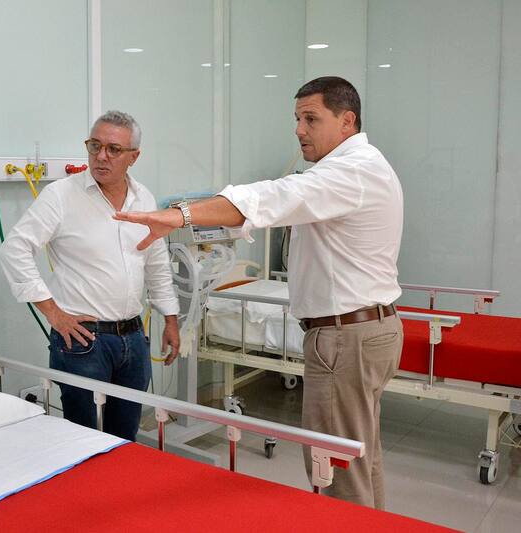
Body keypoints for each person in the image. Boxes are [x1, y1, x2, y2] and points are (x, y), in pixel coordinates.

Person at [114, 76, 403, 508]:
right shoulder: (363, 167)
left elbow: (275, 195)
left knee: (335, 467)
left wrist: (181, 214)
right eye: (297, 119)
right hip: (370, 327)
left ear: (347, 121)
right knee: (361, 456)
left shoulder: (350, 172)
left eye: (311, 119)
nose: (299, 130)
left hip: (345, 337)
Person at [0, 110, 180, 442]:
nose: (101, 156)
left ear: (134, 157)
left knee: (124, 439)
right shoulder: (61, 196)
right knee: (81, 441)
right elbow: (14, 249)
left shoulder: (144, 198)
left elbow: (155, 261)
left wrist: (170, 317)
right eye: (94, 145)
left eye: (113, 149)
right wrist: (54, 313)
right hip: (83, 342)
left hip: (133, 339)